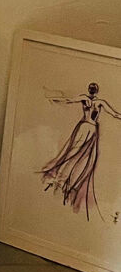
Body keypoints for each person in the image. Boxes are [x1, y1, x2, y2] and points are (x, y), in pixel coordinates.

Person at [40, 81, 120, 218]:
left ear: (89, 90)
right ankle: (61, 180)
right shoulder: (100, 102)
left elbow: (68, 100)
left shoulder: (84, 98)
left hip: (83, 126)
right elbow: (115, 114)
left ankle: (60, 179)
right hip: (90, 128)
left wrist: (53, 98)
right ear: (97, 91)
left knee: (73, 154)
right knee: (81, 157)